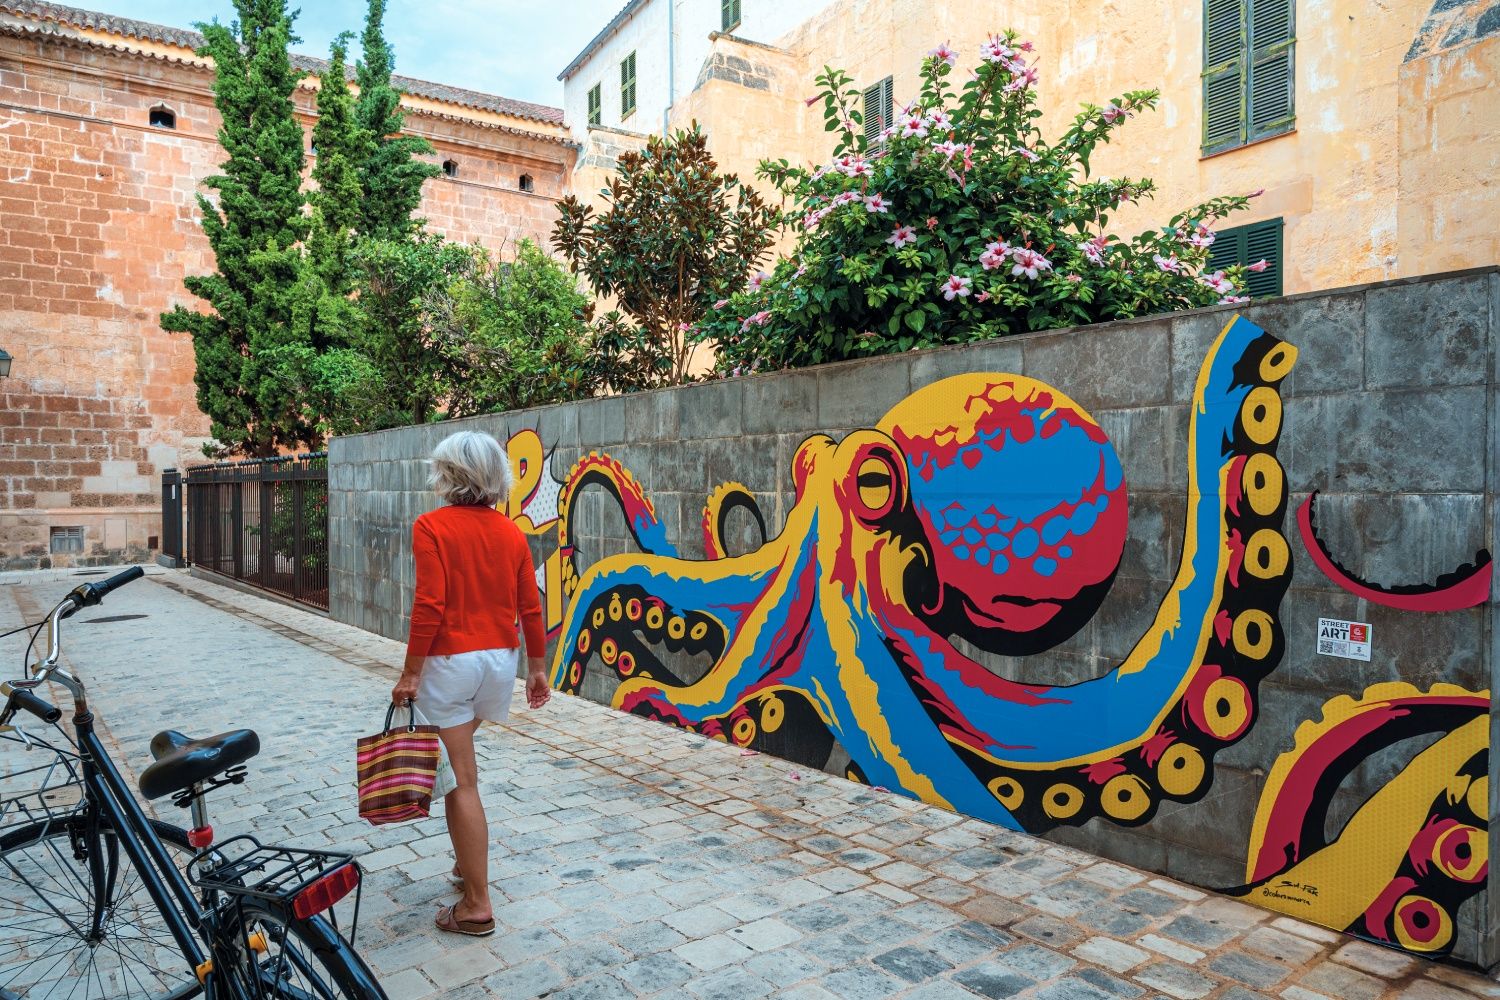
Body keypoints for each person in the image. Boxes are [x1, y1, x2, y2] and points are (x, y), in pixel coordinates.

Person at [390, 430, 550, 937]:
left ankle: (476, 903)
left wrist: (411, 671)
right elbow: (530, 605)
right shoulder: (511, 534)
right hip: (499, 663)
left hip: (450, 661)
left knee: (462, 777)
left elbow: (430, 604)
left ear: (448, 473)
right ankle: (466, 861)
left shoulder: (431, 527)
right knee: (456, 751)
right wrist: (539, 668)